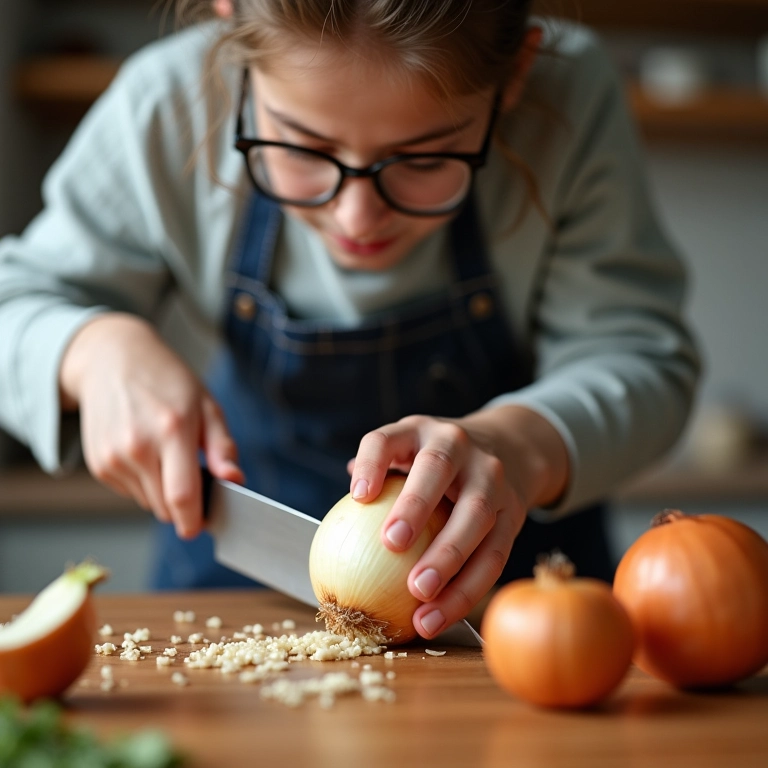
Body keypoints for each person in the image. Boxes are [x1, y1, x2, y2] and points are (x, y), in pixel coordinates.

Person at [0, 0, 699, 640]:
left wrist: (516, 447)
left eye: (424, 158)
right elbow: (17, 301)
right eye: (302, 147)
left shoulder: (570, 96)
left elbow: (642, 359)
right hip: (238, 587)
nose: (356, 217)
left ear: (515, 75)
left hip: (526, 616)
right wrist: (90, 351)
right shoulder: (167, 104)